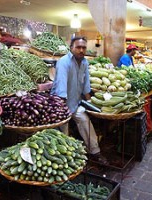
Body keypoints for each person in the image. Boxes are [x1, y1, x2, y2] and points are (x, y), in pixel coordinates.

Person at [50, 36, 108, 165]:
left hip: (75, 103)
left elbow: (86, 86)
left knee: (85, 121)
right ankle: (64, 160)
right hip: (61, 104)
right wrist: (63, 112)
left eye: (84, 48)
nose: (81, 50)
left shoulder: (85, 63)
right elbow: (61, 88)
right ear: (71, 48)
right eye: (78, 47)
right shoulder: (64, 62)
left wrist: (92, 105)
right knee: (63, 133)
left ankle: (94, 152)